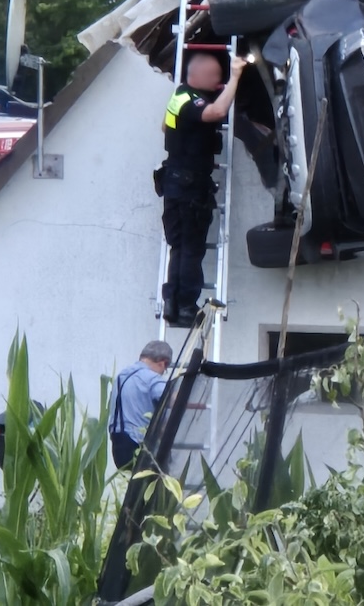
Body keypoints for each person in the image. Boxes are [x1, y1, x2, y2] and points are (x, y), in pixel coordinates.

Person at [159, 52, 247, 327]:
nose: (218, 82)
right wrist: (235, 77)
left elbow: (164, 126)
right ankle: (186, 307)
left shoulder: (178, 97)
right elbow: (217, 112)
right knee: (192, 249)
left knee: (179, 247)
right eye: (214, 77)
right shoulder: (193, 101)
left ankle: (172, 304)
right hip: (189, 187)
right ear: (197, 77)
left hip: (173, 182)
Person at [109, 340, 173, 469]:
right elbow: (170, 398)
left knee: (129, 483)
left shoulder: (122, 375)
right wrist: (198, 403)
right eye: (164, 370)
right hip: (136, 443)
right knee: (149, 486)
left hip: (118, 442)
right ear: (162, 362)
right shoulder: (150, 377)